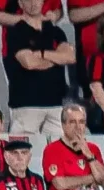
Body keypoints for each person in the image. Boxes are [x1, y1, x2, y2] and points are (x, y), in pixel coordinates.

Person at [8, 0, 75, 137]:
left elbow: (69, 57)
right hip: (26, 105)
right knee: (20, 151)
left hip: (55, 104)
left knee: (57, 152)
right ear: (21, 4)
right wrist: (56, 59)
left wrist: (42, 54)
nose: (33, 3)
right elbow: (29, 63)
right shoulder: (16, 31)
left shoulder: (56, 31)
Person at [0, 0, 64, 66]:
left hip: (49, 48)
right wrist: (25, 20)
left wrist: (54, 15)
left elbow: (59, 10)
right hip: (16, 50)